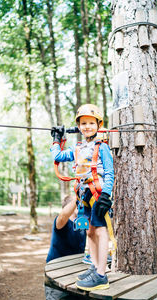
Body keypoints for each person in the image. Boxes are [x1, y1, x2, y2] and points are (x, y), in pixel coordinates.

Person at [50, 104, 114, 291]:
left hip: (97, 195)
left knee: (101, 231)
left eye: (91, 123)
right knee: (89, 231)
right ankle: (94, 267)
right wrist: (56, 139)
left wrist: (106, 195)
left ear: (98, 124)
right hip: (84, 196)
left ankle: (101, 275)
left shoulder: (102, 147)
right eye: (83, 123)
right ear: (79, 126)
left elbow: (109, 173)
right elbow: (59, 155)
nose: (87, 126)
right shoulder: (78, 148)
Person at [45, 195, 86, 299]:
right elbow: (63, 215)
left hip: (74, 275)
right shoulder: (61, 222)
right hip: (57, 276)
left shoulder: (82, 223)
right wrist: (79, 195)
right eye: (78, 203)